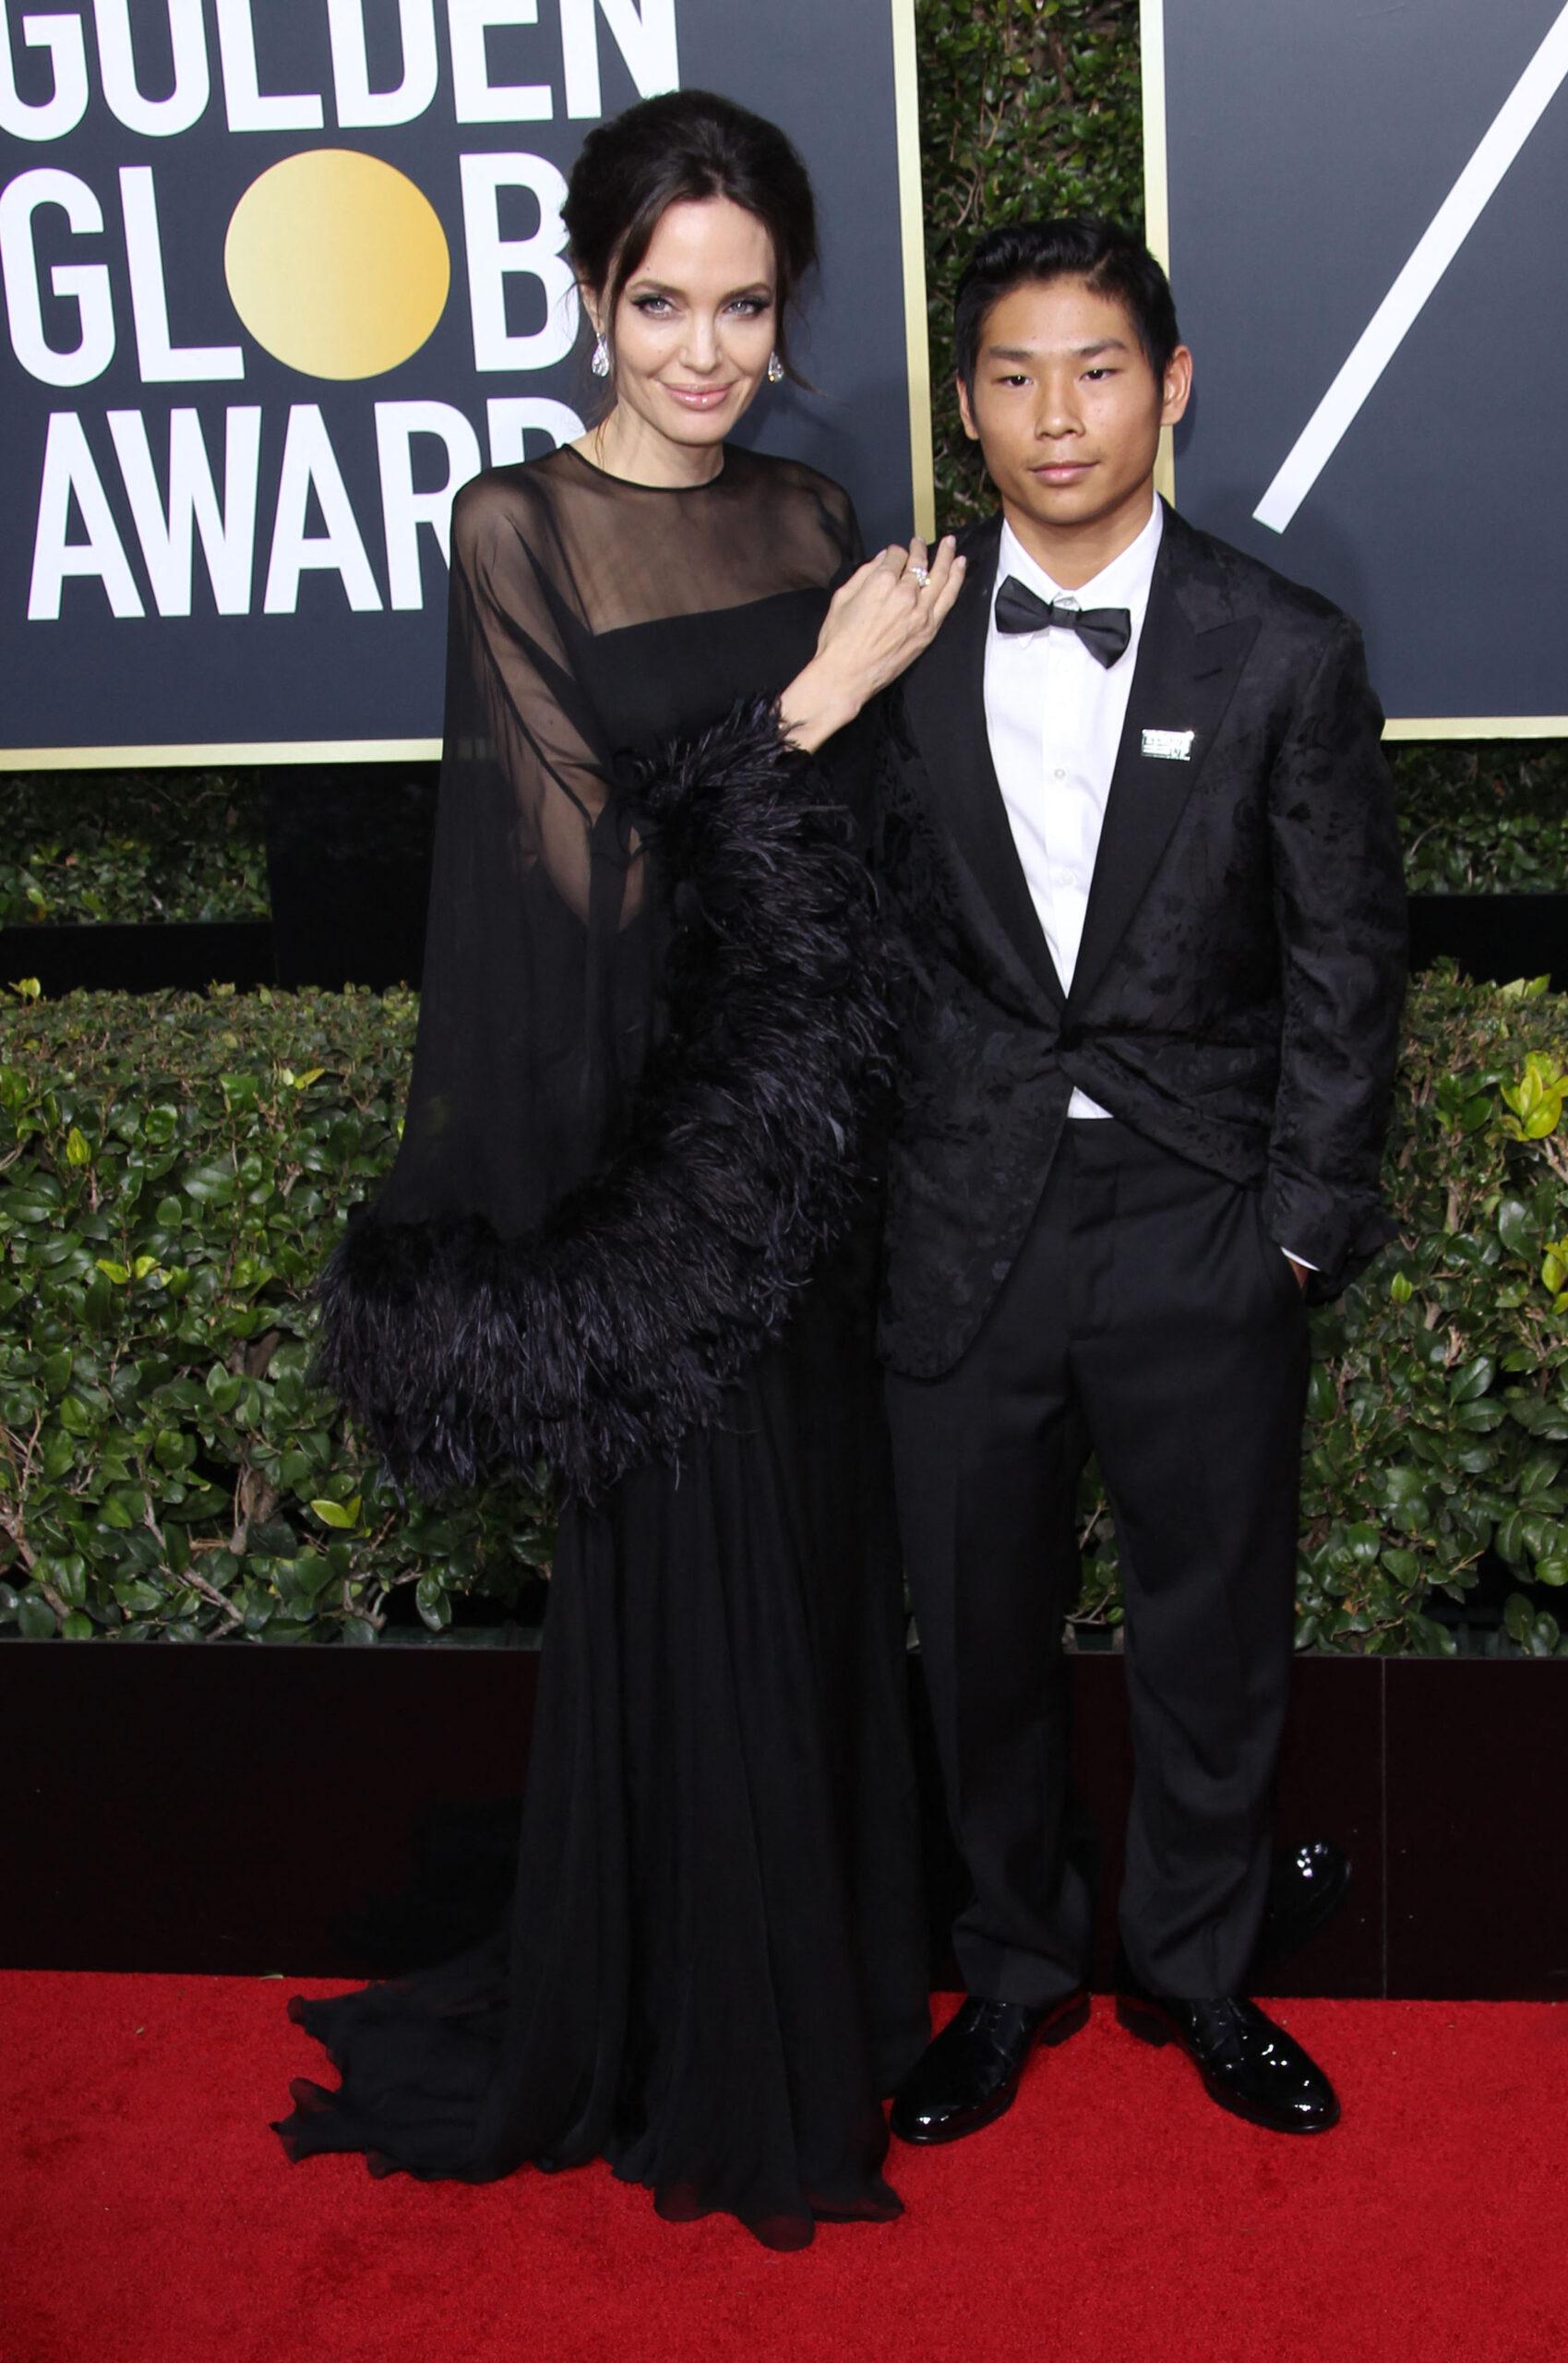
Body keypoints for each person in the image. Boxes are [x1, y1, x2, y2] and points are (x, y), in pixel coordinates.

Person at [274, 89, 966, 2251]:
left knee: (830, 1577)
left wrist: (833, 759)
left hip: (817, 1164)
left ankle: (831, 1978)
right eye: (660, 299)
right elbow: (581, 895)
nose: (703, 346)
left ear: (786, 309)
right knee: (701, 1585)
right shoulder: (522, 530)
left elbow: (855, 887)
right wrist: (815, 710)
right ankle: (690, 2031)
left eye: (744, 302)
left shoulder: (809, 506)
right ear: (590, 293)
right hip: (660, 1195)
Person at [873, 218, 1406, 2145]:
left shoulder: (1283, 650)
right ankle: (1011, 1964)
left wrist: (1297, 1223)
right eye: (1013, 374)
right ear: (964, 405)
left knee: (1211, 1627)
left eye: (1098, 368)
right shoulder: (897, 642)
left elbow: (1349, 958)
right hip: (964, 1227)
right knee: (980, 1624)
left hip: (1200, 1221)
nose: (1057, 413)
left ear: (1169, 383)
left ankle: (1198, 1963)